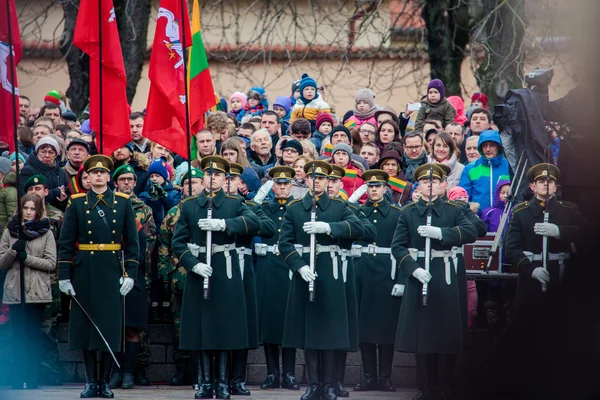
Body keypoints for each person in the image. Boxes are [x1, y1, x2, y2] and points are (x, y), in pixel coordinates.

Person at [172, 156, 261, 399]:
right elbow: (178, 243)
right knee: (201, 329)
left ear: (225, 179)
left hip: (226, 269)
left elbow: (254, 222)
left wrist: (224, 224)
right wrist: (193, 264)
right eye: (208, 174)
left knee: (224, 328)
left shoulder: (235, 203)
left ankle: (222, 382)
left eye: (218, 175)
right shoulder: (190, 205)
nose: (213, 178)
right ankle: (204, 382)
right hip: (200, 268)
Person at [279, 160, 363, 400]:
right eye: (312, 178)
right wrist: (299, 265)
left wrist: (328, 227)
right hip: (306, 272)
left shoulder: (339, 206)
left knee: (329, 332)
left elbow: (357, 228)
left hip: (331, 274)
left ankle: (327, 385)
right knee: (310, 332)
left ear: (328, 181)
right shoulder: (295, 208)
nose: (316, 182)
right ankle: (313, 385)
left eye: (321, 178)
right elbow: (284, 243)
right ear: (306, 181)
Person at [57, 154, 140, 399]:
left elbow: (133, 244)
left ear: (108, 177)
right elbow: (66, 242)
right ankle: (91, 382)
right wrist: (64, 275)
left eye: (103, 173)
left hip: (112, 270)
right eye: (94, 173)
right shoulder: (77, 202)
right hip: (85, 270)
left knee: (110, 327)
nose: (99, 176)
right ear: (88, 178)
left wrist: (130, 274)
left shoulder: (123, 202)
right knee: (87, 328)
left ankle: (105, 382)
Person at [392, 164, 477, 400]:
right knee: (423, 335)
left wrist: (442, 234)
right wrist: (413, 269)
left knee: (446, 332)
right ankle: (425, 386)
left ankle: (445, 385)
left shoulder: (453, 210)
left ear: (443, 185)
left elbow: (471, 231)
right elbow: (397, 247)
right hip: (420, 274)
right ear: (419, 185)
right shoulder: (408, 212)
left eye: (435, 181)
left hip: (446, 274)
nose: (430, 185)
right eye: (425, 182)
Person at [351, 169, 403, 393]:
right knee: (365, 330)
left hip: (386, 275)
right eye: (369, 186)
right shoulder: (357, 212)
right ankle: (369, 376)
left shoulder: (396, 214)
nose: (373, 189)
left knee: (386, 329)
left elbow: (403, 248)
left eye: (377, 186)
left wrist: (400, 279)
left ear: (385, 188)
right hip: (362, 275)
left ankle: (385, 377)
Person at [327, 164, 377, 397]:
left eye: (334, 181)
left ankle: (337, 379)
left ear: (340, 184)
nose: (329, 185)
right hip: (318, 271)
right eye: (326, 181)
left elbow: (368, 232)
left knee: (341, 328)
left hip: (344, 272)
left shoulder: (348, 208)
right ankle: (320, 380)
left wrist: (339, 226)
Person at [0, 193, 56, 389]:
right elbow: (1, 263)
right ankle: (16, 377)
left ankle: (32, 377)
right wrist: (13, 250)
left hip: (37, 291)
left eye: (33, 209)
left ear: (38, 210)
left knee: (33, 335)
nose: (29, 212)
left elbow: (51, 262)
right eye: (26, 208)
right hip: (15, 289)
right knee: (17, 335)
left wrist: (27, 258)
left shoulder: (46, 233)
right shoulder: (10, 231)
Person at [109, 164, 156, 390]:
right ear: (115, 182)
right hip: (109, 272)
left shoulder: (143, 209)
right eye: (122, 179)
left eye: (130, 179)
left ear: (135, 183)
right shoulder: (108, 206)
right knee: (113, 325)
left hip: (136, 273)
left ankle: (130, 372)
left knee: (133, 326)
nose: (126, 183)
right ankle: (115, 372)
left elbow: (148, 244)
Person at [255, 166, 301, 391]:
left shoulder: (299, 208)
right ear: (272, 186)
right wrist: (258, 197)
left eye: (285, 184)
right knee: (271, 323)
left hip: (289, 268)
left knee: (288, 323)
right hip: (268, 268)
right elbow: (250, 214)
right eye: (278, 184)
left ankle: (290, 374)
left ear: (292, 185)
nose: (282, 187)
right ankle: (272, 373)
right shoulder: (265, 206)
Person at [157, 168, 204, 386]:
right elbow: (164, 245)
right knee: (179, 325)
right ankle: (182, 367)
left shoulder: (208, 210)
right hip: (180, 276)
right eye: (187, 183)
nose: (191, 186)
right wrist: (165, 273)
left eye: (195, 182)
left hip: (203, 274)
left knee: (202, 322)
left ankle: (202, 369)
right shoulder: (173, 214)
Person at [458, 130, 510, 212]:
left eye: (492, 145)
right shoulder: (470, 168)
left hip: (503, 217)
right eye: (484, 145)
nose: (488, 149)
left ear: (498, 147)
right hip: (478, 220)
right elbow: (462, 197)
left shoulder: (508, 165)